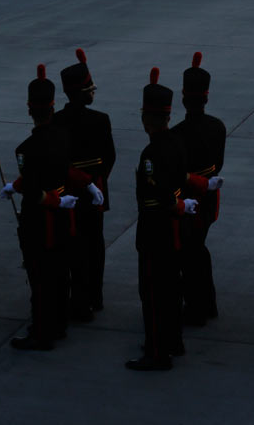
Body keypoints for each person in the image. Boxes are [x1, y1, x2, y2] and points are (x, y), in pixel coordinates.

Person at [126, 68, 199, 370]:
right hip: (174, 230)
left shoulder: (150, 154)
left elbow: (160, 193)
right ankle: (173, 340)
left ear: (147, 119)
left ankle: (157, 352)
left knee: (153, 293)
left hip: (156, 228)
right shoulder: (178, 142)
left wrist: (175, 205)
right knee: (171, 287)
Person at [4, 65, 77, 350]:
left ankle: (42, 331)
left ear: (29, 108)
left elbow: (34, 191)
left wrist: (22, 189)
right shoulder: (63, 136)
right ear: (52, 105)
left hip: (40, 219)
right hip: (61, 215)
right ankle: (58, 324)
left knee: (40, 275)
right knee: (60, 272)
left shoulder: (27, 148)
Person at [56, 48, 114, 320]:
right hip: (95, 193)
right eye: (90, 88)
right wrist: (95, 181)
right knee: (95, 247)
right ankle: (95, 296)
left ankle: (78, 298)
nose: (94, 92)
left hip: (68, 194)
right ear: (82, 92)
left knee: (73, 247)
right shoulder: (100, 120)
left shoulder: (58, 121)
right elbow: (109, 158)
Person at [172, 52, 225, 326]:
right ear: (206, 97)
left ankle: (196, 307)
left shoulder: (177, 134)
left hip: (187, 198)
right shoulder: (218, 127)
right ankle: (208, 303)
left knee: (188, 254)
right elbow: (219, 164)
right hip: (209, 197)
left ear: (183, 98)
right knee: (198, 249)